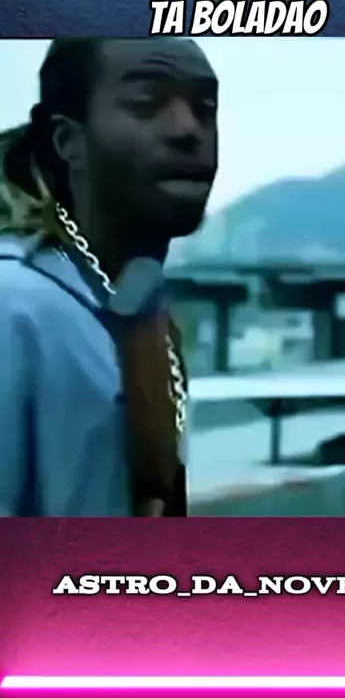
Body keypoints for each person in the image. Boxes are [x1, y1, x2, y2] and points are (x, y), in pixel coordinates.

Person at [0, 38, 218, 516]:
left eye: (206, 107)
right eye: (146, 103)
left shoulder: (140, 311)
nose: (189, 129)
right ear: (66, 141)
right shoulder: (14, 307)